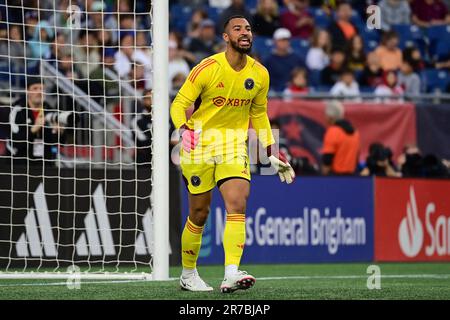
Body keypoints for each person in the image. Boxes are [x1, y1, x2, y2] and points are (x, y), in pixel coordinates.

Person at [170, 15, 295, 293]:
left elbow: (259, 114)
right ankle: (188, 274)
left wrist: (271, 151)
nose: (245, 33)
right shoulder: (208, 68)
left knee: (237, 203)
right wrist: (183, 129)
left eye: (248, 29)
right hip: (200, 143)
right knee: (199, 214)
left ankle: (231, 273)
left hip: (233, 145)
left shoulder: (260, 73)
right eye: (237, 29)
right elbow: (179, 103)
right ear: (226, 37)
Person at [6, 75, 65, 166]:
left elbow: (60, 143)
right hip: (20, 163)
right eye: (35, 88)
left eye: (41, 89)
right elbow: (15, 141)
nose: (39, 92)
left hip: (44, 164)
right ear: (27, 90)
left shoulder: (50, 110)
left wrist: (60, 132)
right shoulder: (17, 110)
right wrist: (34, 129)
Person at [321, 100, 360, 175]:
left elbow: (327, 159)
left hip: (335, 178)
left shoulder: (332, 132)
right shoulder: (355, 132)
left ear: (330, 117)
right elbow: (357, 157)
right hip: (353, 178)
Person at [263, 28, 305, 92]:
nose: (284, 42)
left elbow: (305, 75)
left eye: (286, 40)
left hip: (295, 93)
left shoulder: (297, 59)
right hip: (274, 94)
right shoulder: (269, 61)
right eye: (281, 40)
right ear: (275, 41)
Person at [133, 89, 152, 165]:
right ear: (143, 101)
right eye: (148, 98)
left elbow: (175, 137)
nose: (152, 101)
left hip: (167, 164)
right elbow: (143, 142)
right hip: (145, 163)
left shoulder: (166, 119)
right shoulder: (137, 121)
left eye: (153, 98)